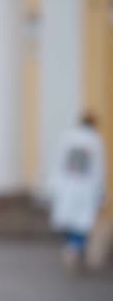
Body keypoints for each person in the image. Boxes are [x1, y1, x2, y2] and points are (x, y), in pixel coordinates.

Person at [48, 113, 106, 273]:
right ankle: (73, 249)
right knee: (82, 222)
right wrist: (101, 192)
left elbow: (58, 162)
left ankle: (72, 249)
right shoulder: (95, 140)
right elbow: (99, 168)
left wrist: (53, 184)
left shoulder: (67, 137)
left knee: (70, 220)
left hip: (67, 184)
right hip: (86, 187)